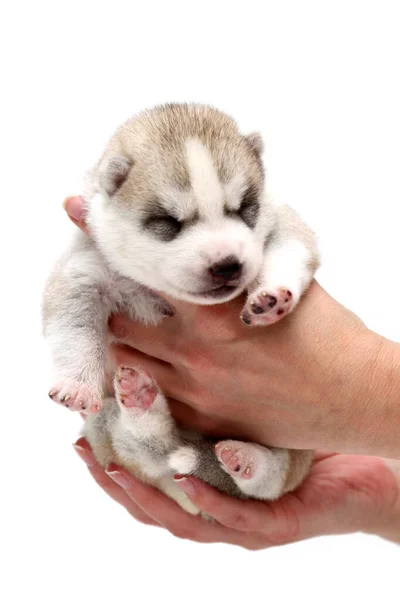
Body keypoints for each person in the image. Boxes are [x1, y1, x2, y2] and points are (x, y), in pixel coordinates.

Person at [65, 195, 400, 549]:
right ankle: (151, 435)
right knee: (115, 431)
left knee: (274, 467)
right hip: (174, 453)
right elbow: (71, 310)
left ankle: (168, 440)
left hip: (253, 454)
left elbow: (293, 244)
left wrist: (367, 392)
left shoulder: (266, 224)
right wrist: (386, 500)